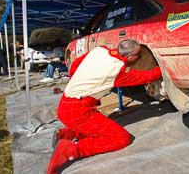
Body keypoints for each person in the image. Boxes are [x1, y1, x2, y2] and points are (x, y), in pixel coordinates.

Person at [47, 39, 162, 174]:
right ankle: (71, 149)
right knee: (121, 138)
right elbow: (146, 76)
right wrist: (164, 68)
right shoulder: (117, 70)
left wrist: (80, 82)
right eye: (139, 55)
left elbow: (75, 65)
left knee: (96, 126)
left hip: (66, 103)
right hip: (78, 112)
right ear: (131, 57)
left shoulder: (99, 50)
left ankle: (67, 133)